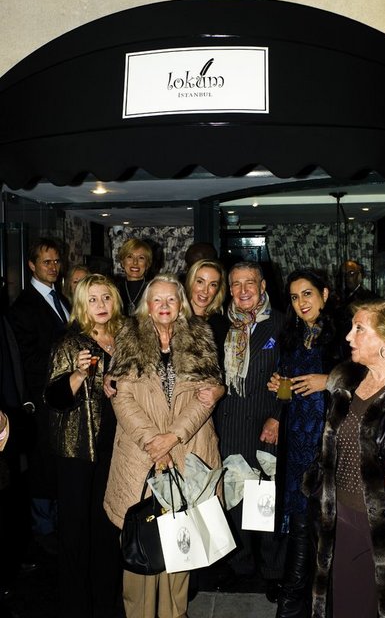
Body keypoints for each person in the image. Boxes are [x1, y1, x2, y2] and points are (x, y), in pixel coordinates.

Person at [103, 273, 224, 618]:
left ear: (181, 303)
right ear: (147, 304)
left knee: (181, 546)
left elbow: (206, 396)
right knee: (140, 549)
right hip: (139, 457)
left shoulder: (199, 335)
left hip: (189, 451)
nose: (164, 305)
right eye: (157, 299)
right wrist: (153, 442)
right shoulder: (128, 335)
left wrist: (172, 438)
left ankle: (175, 614)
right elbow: (121, 397)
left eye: (171, 298)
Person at [303, 299, 385, 618]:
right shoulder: (346, 381)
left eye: (359, 329)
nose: (348, 336)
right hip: (337, 518)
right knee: (342, 606)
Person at [44, 274, 125, 618]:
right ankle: (76, 607)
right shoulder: (70, 343)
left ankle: (106, 602)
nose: (100, 305)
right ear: (81, 305)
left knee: (107, 528)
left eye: (105, 297)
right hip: (77, 450)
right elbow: (53, 398)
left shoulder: (125, 339)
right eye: (92, 300)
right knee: (75, 533)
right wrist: (77, 376)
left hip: (116, 447)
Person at [268, 268, 340, 618]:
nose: (301, 303)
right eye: (295, 297)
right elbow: (289, 384)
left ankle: (308, 605)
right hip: (296, 440)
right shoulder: (292, 335)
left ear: (324, 294)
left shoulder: (344, 335)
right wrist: (278, 384)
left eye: (307, 294)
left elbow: (369, 380)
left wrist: (329, 380)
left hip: (328, 445)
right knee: (299, 524)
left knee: (324, 530)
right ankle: (292, 605)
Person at [213, 261, 286, 602]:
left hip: (263, 426)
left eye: (250, 283)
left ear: (263, 286)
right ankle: (240, 566)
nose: (243, 290)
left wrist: (278, 416)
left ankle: (272, 571)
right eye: (236, 284)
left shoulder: (281, 324)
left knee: (263, 502)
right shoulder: (219, 324)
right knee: (234, 500)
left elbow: (290, 375)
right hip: (227, 424)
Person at [8, 237, 70, 550]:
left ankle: (57, 529)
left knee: (56, 464)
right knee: (43, 467)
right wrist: (67, 360)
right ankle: (44, 535)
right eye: (47, 262)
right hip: (41, 399)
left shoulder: (62, 299)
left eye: (57, 261)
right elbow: (27, 359)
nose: (54, 267)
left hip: (63, 397)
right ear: (32, 265)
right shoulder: (23, 307)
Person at [185, 258, 229, 365]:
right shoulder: (173, 317)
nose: (205, 291)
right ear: (190, 282)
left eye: (213, 285)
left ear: (218, 290)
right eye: (200, 282)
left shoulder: (220, 325)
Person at [117, 238, 153, 315]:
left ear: (147, 264)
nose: (135, 262)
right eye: (130, 257)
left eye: (141, 258)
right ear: (122, 262)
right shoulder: (114, 289)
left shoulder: (153, 289)